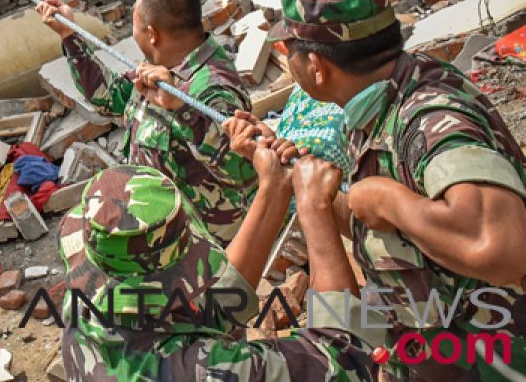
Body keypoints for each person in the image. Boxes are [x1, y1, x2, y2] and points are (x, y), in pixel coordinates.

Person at [238, 0, 526, 381]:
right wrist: (303, 182)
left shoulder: (431, 118)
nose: (289, 67)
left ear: (317, 65)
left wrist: (384, 198)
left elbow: (501, 247)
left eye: (289, 55)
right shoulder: (380, 98)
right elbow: (392, 231)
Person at [59, 152, 380, 381]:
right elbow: (348, 358)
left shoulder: (92, 291)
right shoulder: (202, 370)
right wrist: (315, 209)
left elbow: (207, 309)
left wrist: (273, 189)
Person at [37, 0, 255, 241]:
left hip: (204, 245)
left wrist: (181, 109)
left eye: (135, 26)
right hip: (163, 228)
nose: (133, 33)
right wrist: (69, 35)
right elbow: (109, 97)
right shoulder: (164, 66)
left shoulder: (213, 90)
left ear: (152, 34)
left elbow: (243, 171)